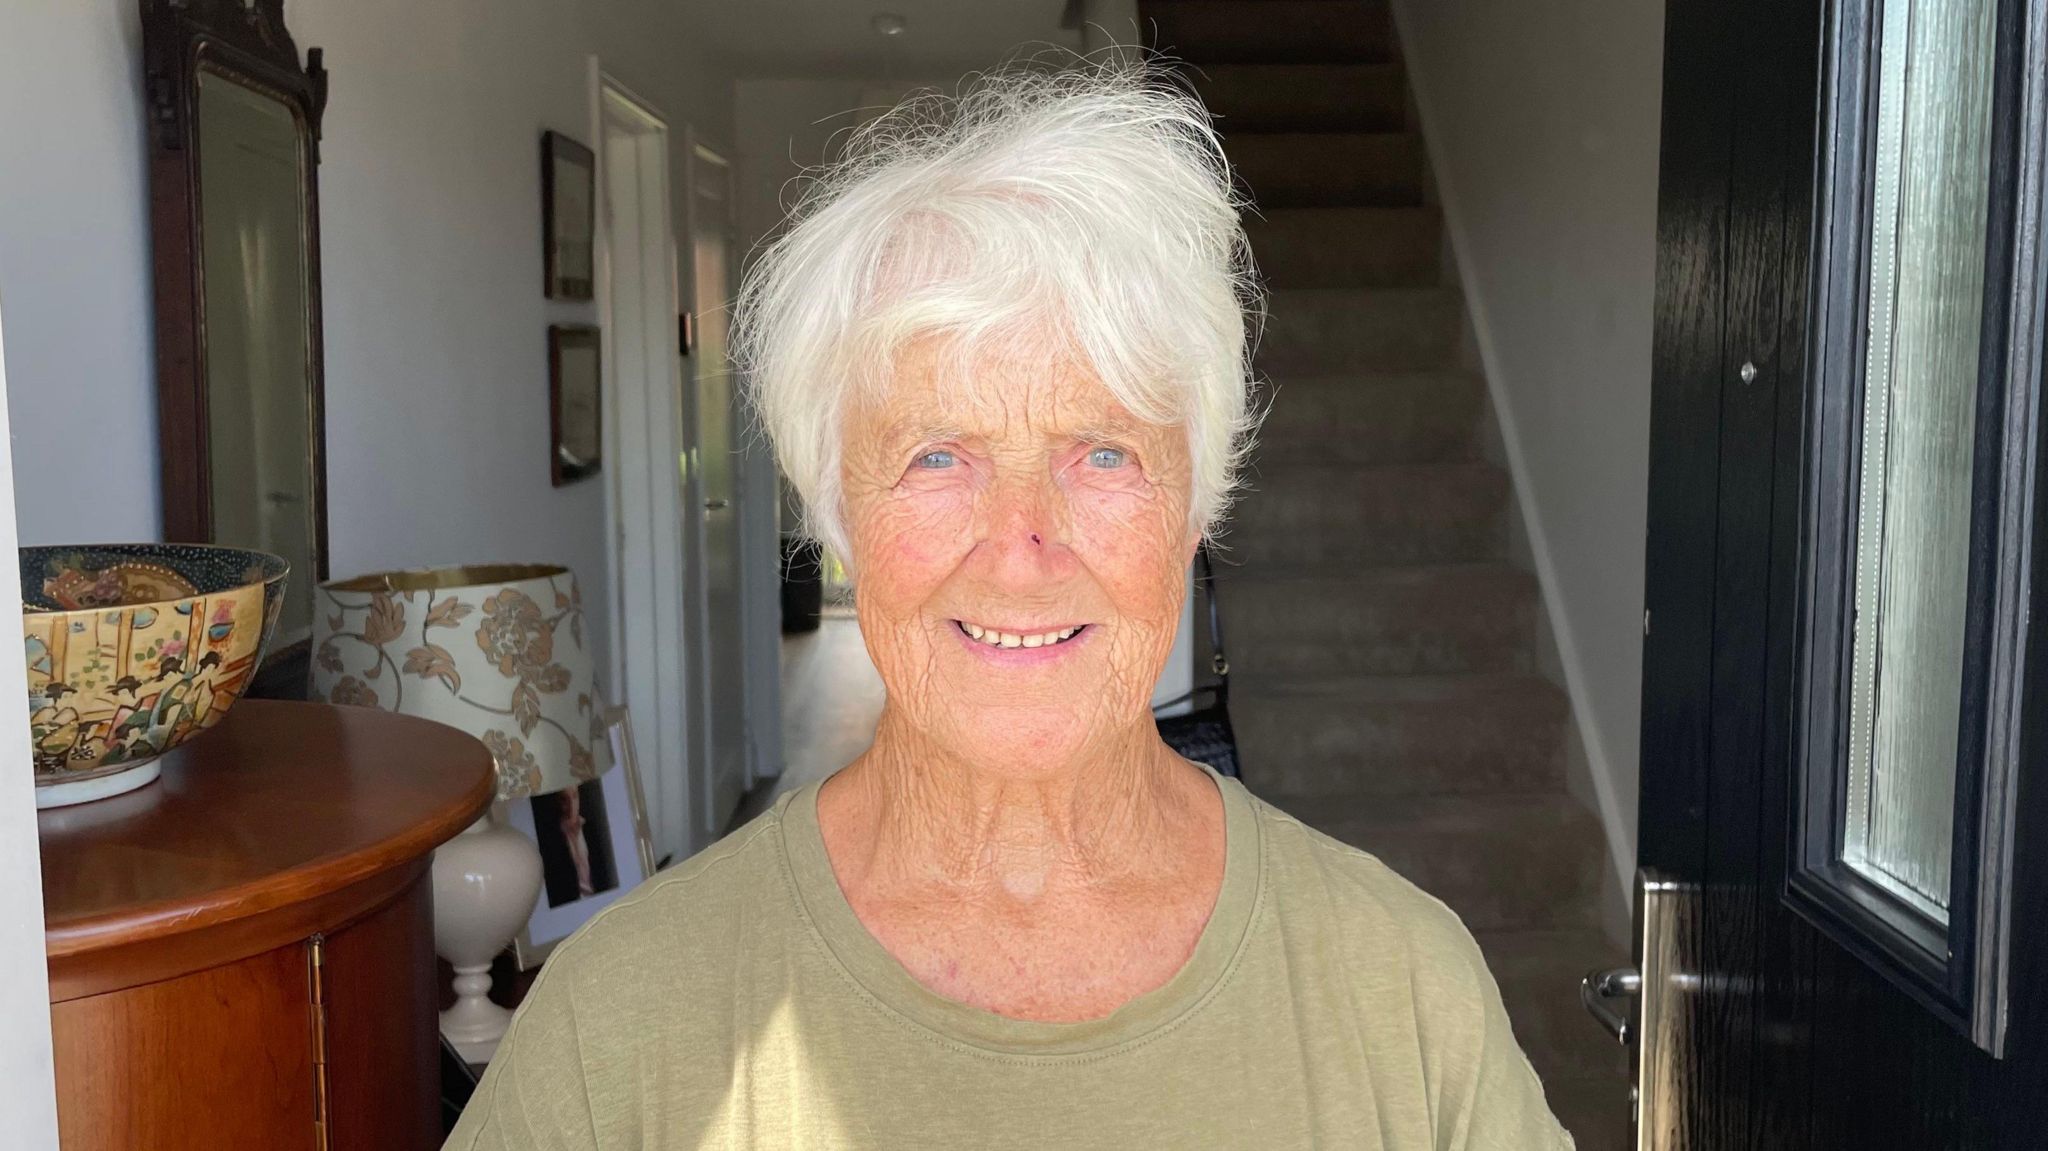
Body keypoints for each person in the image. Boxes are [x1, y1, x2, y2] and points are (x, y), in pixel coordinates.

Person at [447, 61, 1572, 1150]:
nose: (1021, 546)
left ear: (1194, 508)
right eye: (938, 455)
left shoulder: (1404, 987)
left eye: (1102, 451)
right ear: (839, 514)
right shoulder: (619, 1019)